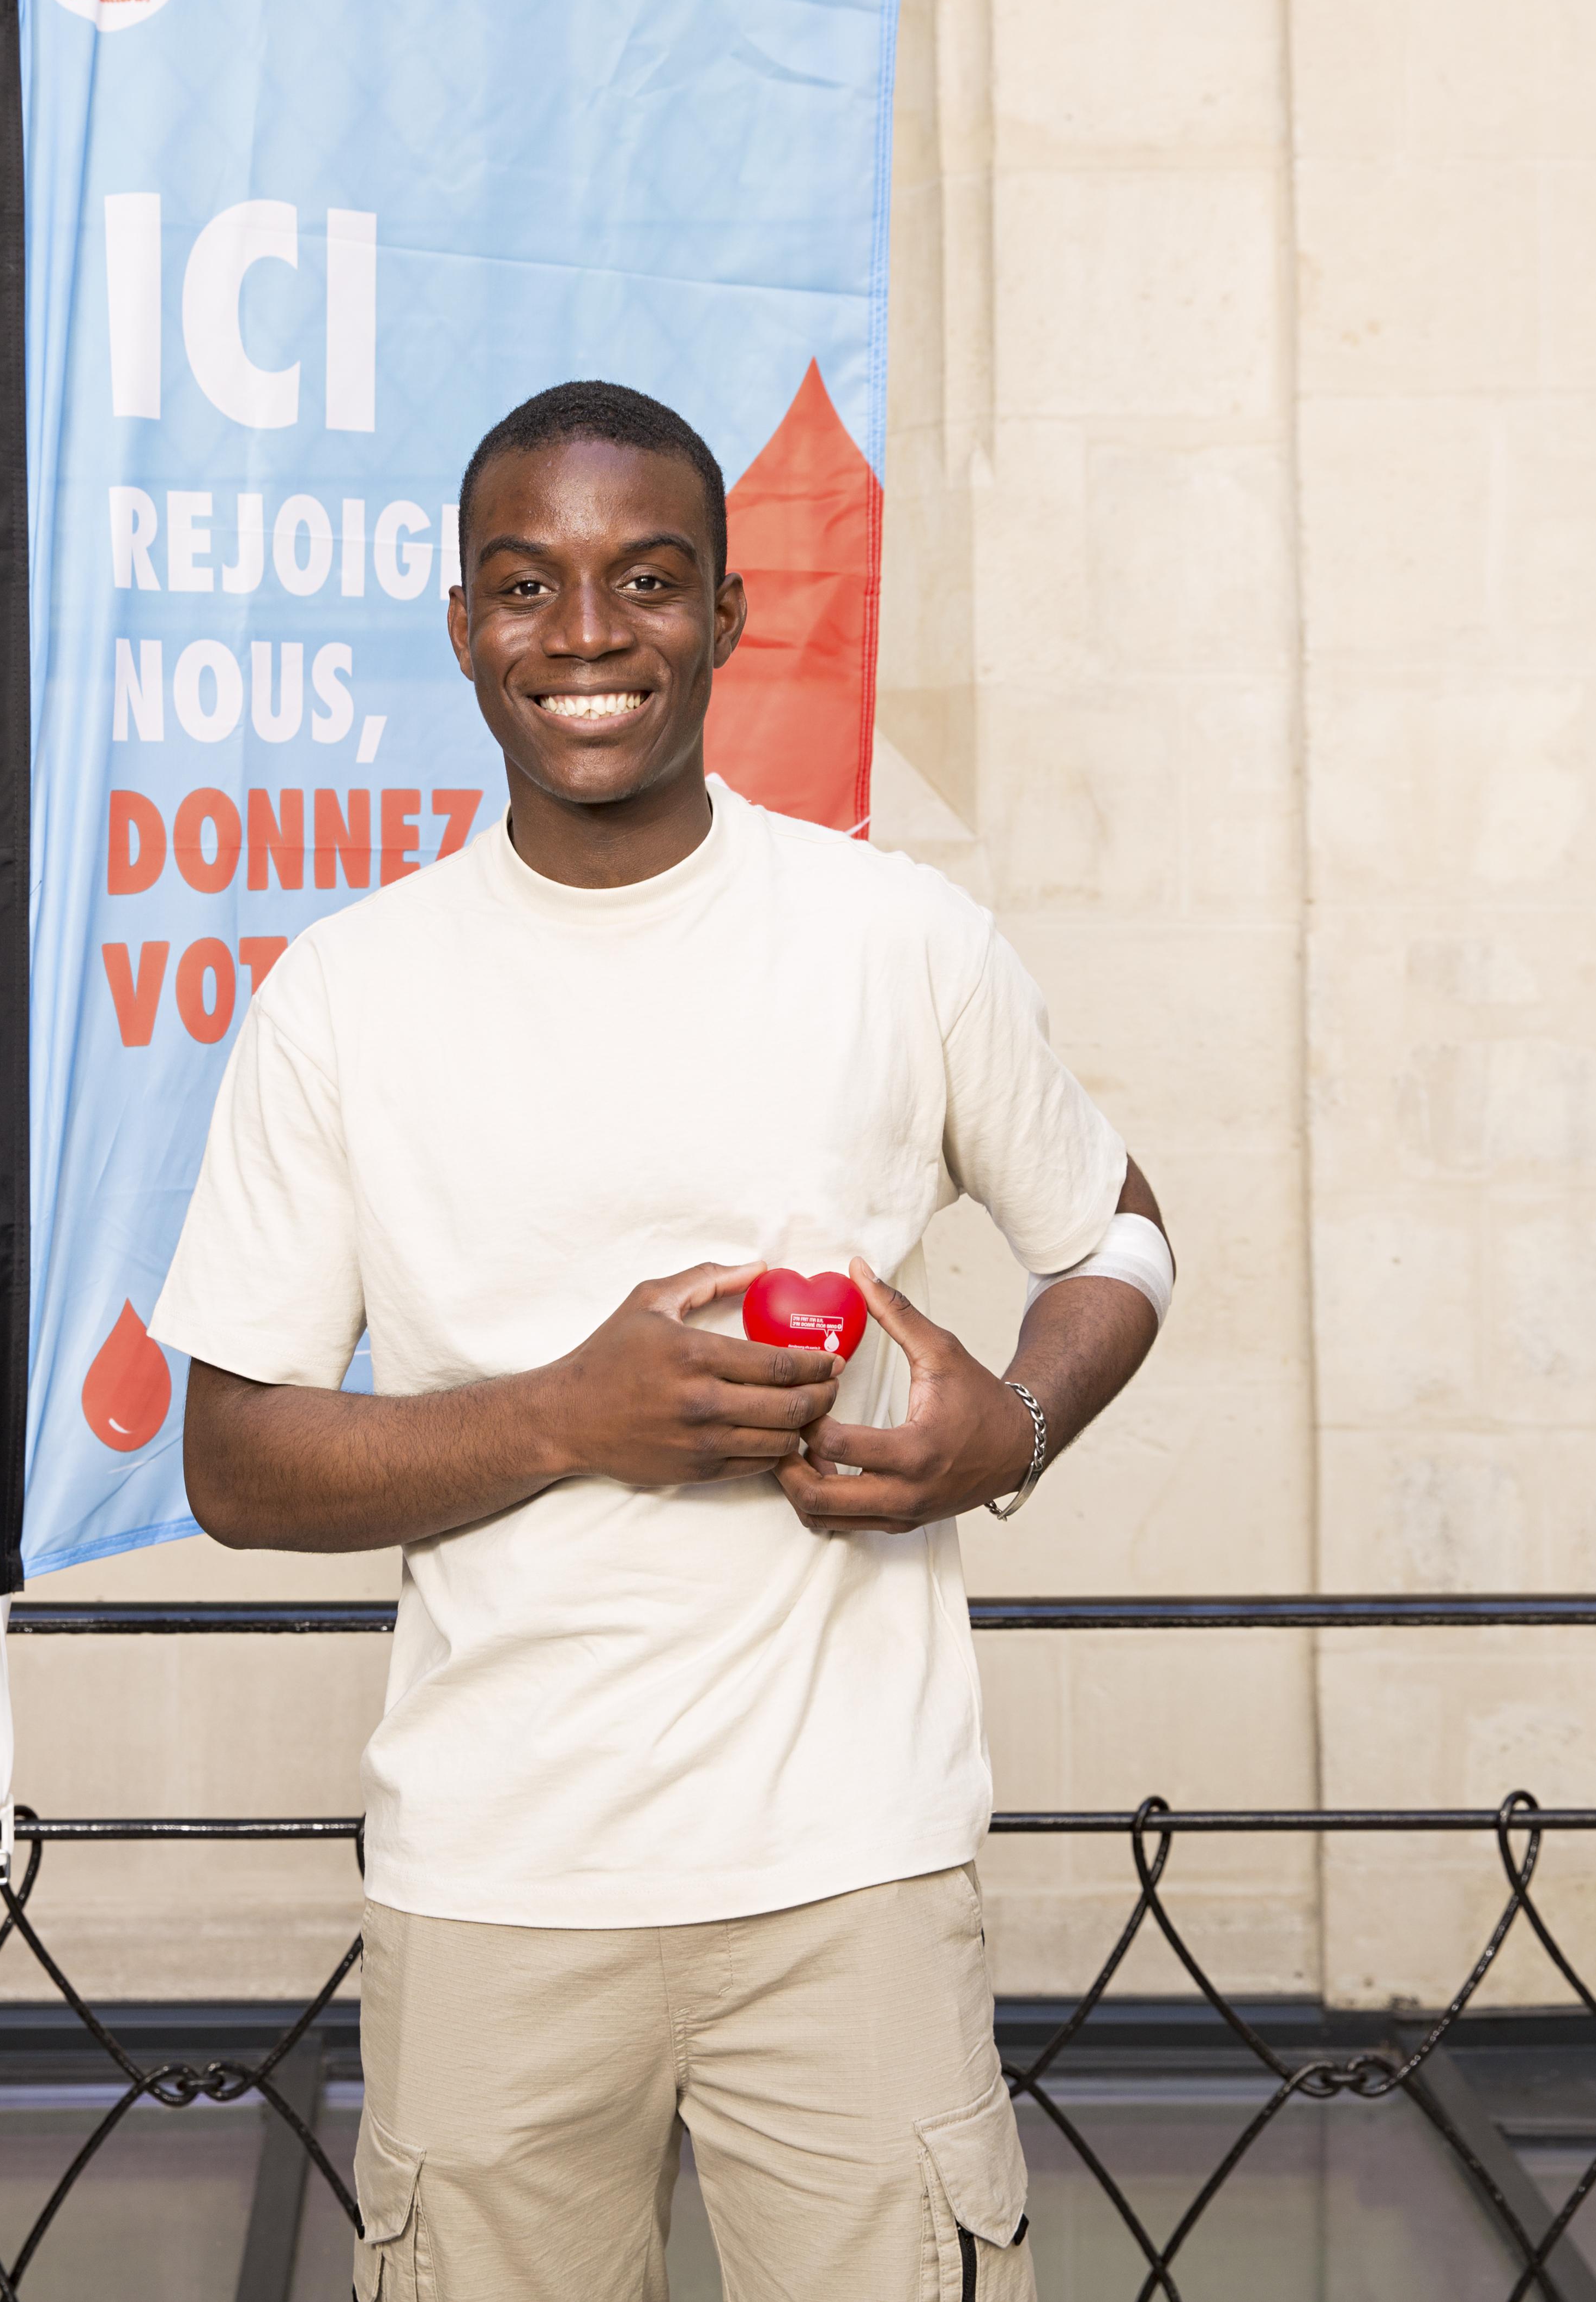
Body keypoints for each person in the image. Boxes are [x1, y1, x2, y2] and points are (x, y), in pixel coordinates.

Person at [151, 379, 1171, 2302]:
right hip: (494, 1882)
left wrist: (1014, 1426)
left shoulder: (895, 938)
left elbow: (1122, 1232)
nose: (586, 635)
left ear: (727, 612)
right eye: (525, 584)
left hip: (849, 1869)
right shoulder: (345, 995)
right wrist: (569, 1414)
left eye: (646, 579)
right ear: (463, 623)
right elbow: (236, 1459)